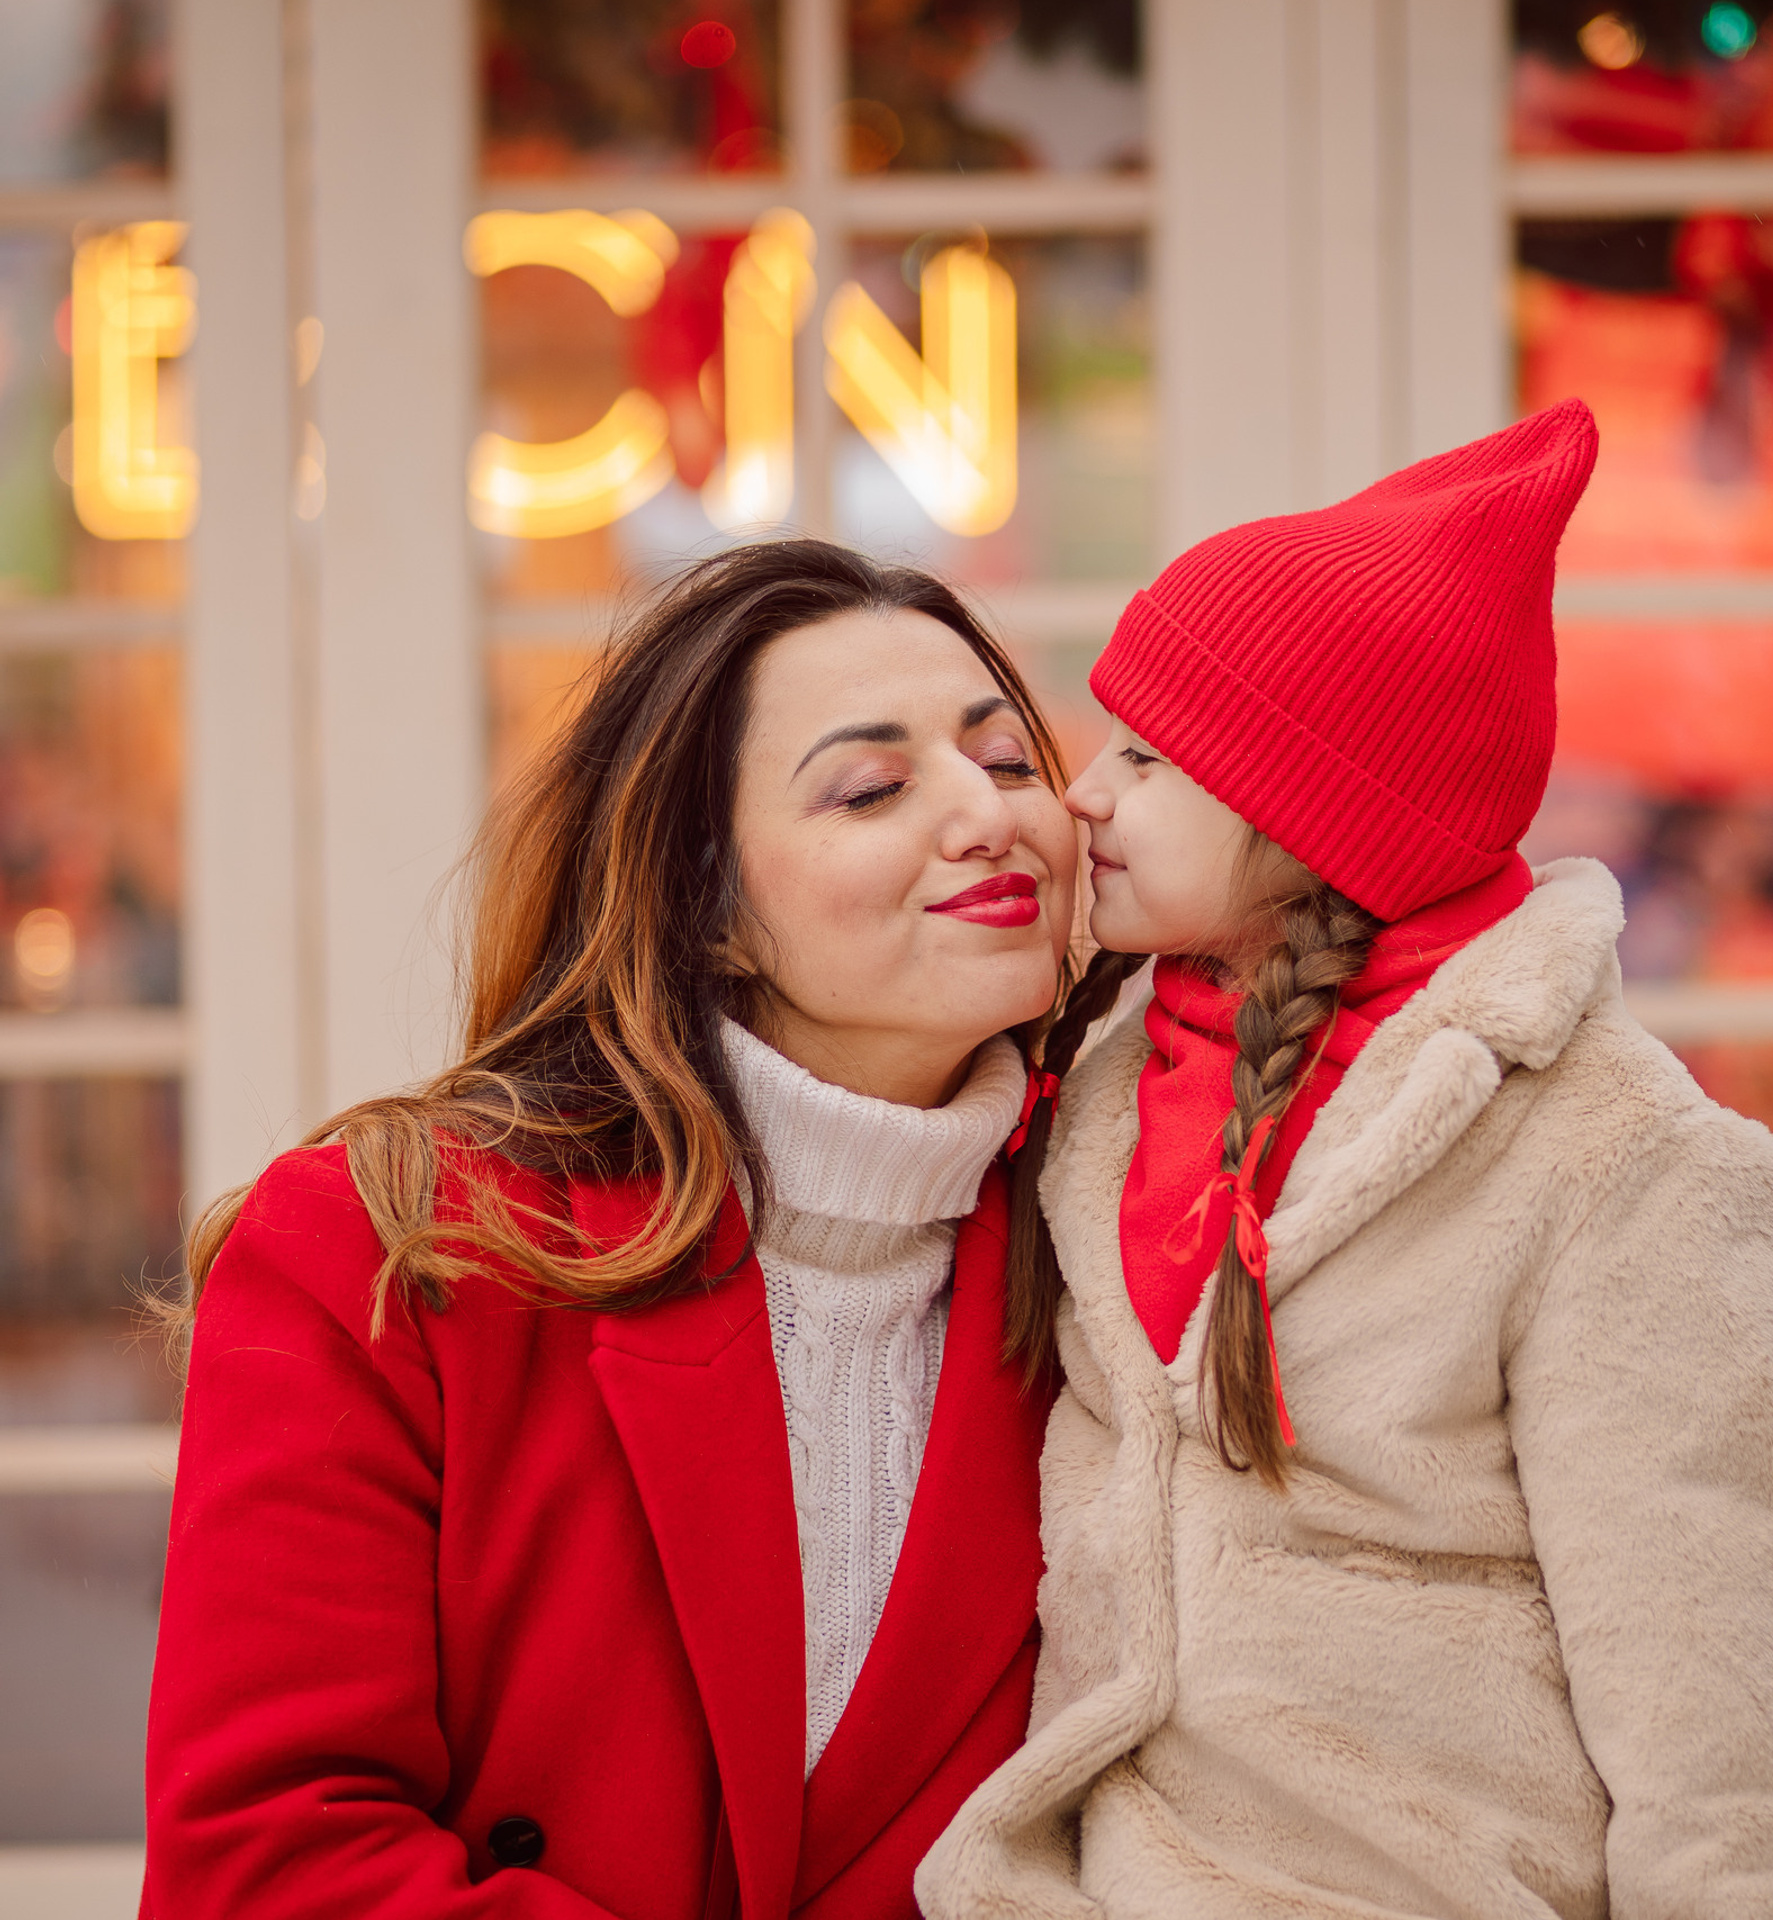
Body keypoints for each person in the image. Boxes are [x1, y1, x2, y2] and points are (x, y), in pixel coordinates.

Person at [918, 401, 1773, 1920]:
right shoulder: (1095, 1085)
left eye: (1152, 758)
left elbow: (1712, 1655)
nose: (1085, 791)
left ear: (1305, 816)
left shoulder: (1605, 1152)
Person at [142, 540, 1081, 1920]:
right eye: (873, 786)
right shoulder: (384, 1243)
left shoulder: (1117, 1262)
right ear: (705, 906)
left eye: (1009, 763)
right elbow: (269, 1861)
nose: (989, 815)